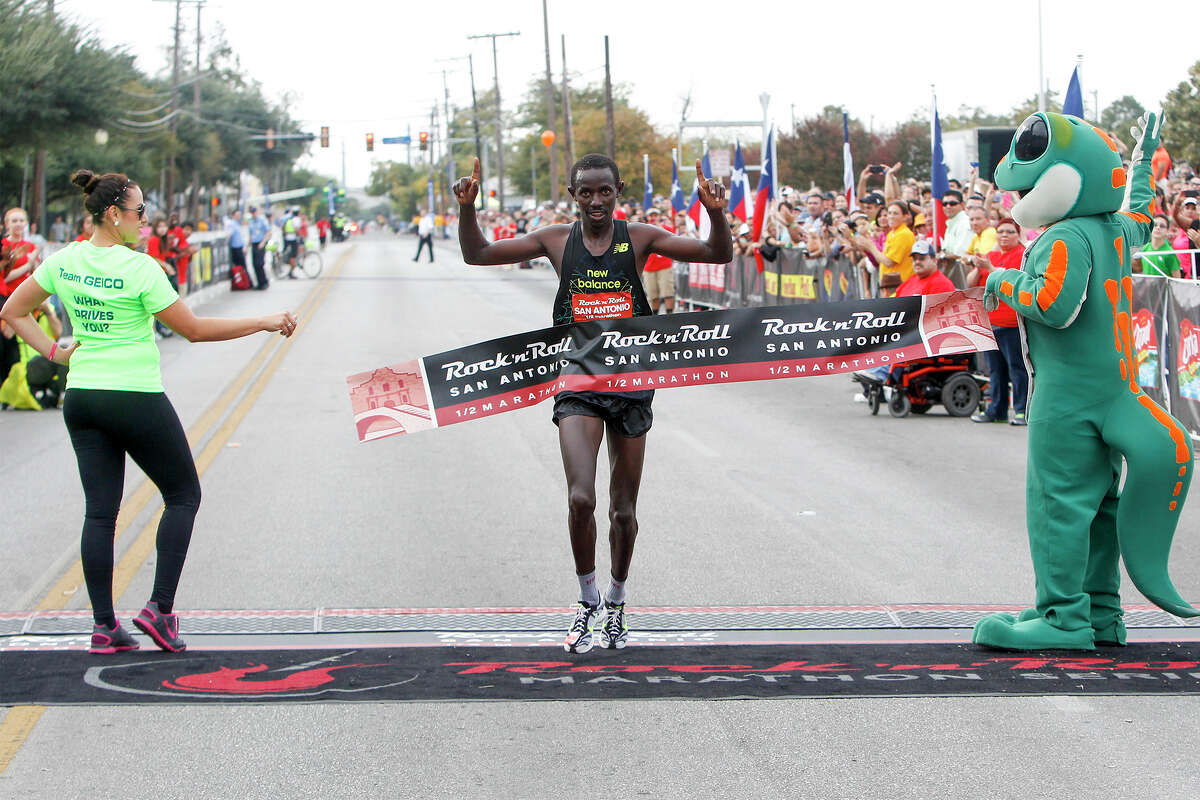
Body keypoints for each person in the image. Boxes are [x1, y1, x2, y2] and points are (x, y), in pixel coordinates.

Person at [0, 169, 296, 655]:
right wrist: (264, 320)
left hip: (83, 396)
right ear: (113, 214)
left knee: (100, 512)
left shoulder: (65, 260)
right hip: (133, 395)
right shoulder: (141, 269)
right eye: (140, 212)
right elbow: (194, 330)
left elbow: (12, 311)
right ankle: (159, 610)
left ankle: (102, 627)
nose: (146, 221)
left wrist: (57, 354)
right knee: (183, 494)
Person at [453, 154, 731, 653]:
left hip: (630, 385)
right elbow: (478, 254)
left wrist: (714, 211)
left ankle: (618, 603)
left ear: (617, 191)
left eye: (605, 192)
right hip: (578, 382)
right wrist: (468, 209)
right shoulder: (556, 240)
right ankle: (587, 602)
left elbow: (716, 253)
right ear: (573, 193)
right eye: (587, 192)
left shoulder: (639, 237)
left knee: (623, 511)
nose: (596, 201)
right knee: (582, 498)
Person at [968, 217, 1029, 424]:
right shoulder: (991, 255)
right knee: (996, 370)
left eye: (1009, 231)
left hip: (1012, 323)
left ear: (1018, 234)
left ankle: (1022, 410)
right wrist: (979, 267)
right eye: (1000, 231)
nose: (1004, 235)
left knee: (1017, 368)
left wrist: (990, 266)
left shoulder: (1022, 256)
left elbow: (1014, 281)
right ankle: (997, 410)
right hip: (990, 322)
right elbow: (970, 282)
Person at [853, 200, 914, 296]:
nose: (891, 216)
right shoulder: (892, 233)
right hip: (890, 289)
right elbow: (881, 259)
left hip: (901, 288)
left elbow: (888, 262)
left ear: (905, 216)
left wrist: (871, 246)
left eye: (895, 213)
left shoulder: (903, 234)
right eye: (889, 213)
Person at [642, 208, 676, 313]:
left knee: (668, 293)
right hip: (649, 267)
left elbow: (674, 239)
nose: (653, 218)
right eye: (651, 216)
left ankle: (670, 315)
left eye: (655, 216)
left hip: (664, 265)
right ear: (647, 218)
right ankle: (655, 316)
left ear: (659, 217)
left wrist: (660, 227)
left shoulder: (666, 228)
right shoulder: (643, 230)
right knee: (653, 295)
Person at [247, 206, 271, 290]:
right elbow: (250, 235)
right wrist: (247, 246)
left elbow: (268, 232)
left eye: (254, 212)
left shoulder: (262, 220)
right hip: (254, 243)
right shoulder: (251, 222)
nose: (253, 214)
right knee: (254, 264)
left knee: (259, 263)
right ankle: (260, 283)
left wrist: (263, 243)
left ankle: (264, 282)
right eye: (252, 212)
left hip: (261, 243)